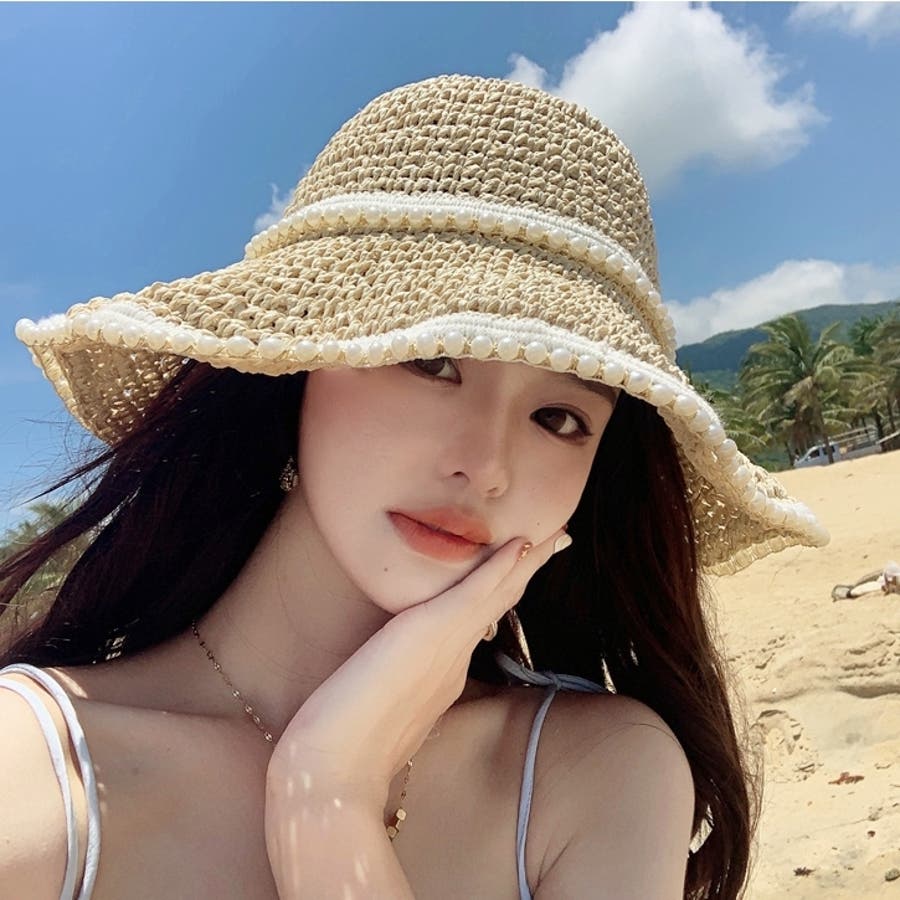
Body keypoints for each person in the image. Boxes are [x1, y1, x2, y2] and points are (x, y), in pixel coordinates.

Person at [0, 75, 828, 899]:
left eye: (559, 418)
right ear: (295, 369)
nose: (488, 465)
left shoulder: (598, 773)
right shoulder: (35, 771)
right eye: (432, 363)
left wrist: (327, 797)